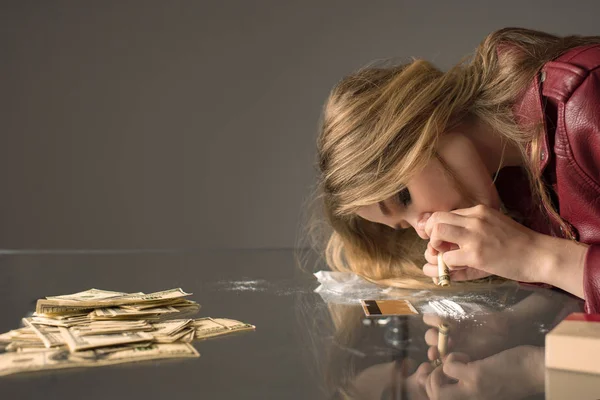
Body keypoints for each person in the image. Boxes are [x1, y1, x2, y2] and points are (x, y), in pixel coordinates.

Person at [315, 27, 600, 312]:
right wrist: (509, 327)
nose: (425, 230)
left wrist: (536, 257)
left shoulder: (585, 100)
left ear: (421, 122)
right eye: (407, 227)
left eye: (403, 197)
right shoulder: (512, 183)